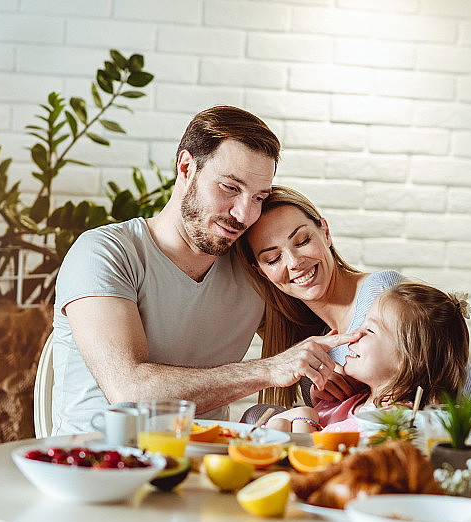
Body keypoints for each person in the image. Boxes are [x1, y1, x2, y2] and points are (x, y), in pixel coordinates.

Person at [51, 107, 357, 435]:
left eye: (258, 197)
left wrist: (332, 375)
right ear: (186, 167)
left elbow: (314, 345)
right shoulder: (105, 252)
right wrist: (270, 370)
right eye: (229, 188)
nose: (243, 214)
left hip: (203, 465)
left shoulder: (252, 265)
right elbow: (130, 393)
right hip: (96, 465)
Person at [234, 186, 471, 445]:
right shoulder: (314, 337)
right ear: (262, 271)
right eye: (274, 258)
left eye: (302, 241)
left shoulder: (382, 295)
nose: (294, 261)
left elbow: (464, 414)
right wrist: (315, 393)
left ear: (326, 231)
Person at [264, 282, 471, 434]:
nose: (356, 333)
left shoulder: (398, 424)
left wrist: (303, 420)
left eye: (370, 329)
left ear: (407, 359)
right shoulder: (349, 402)